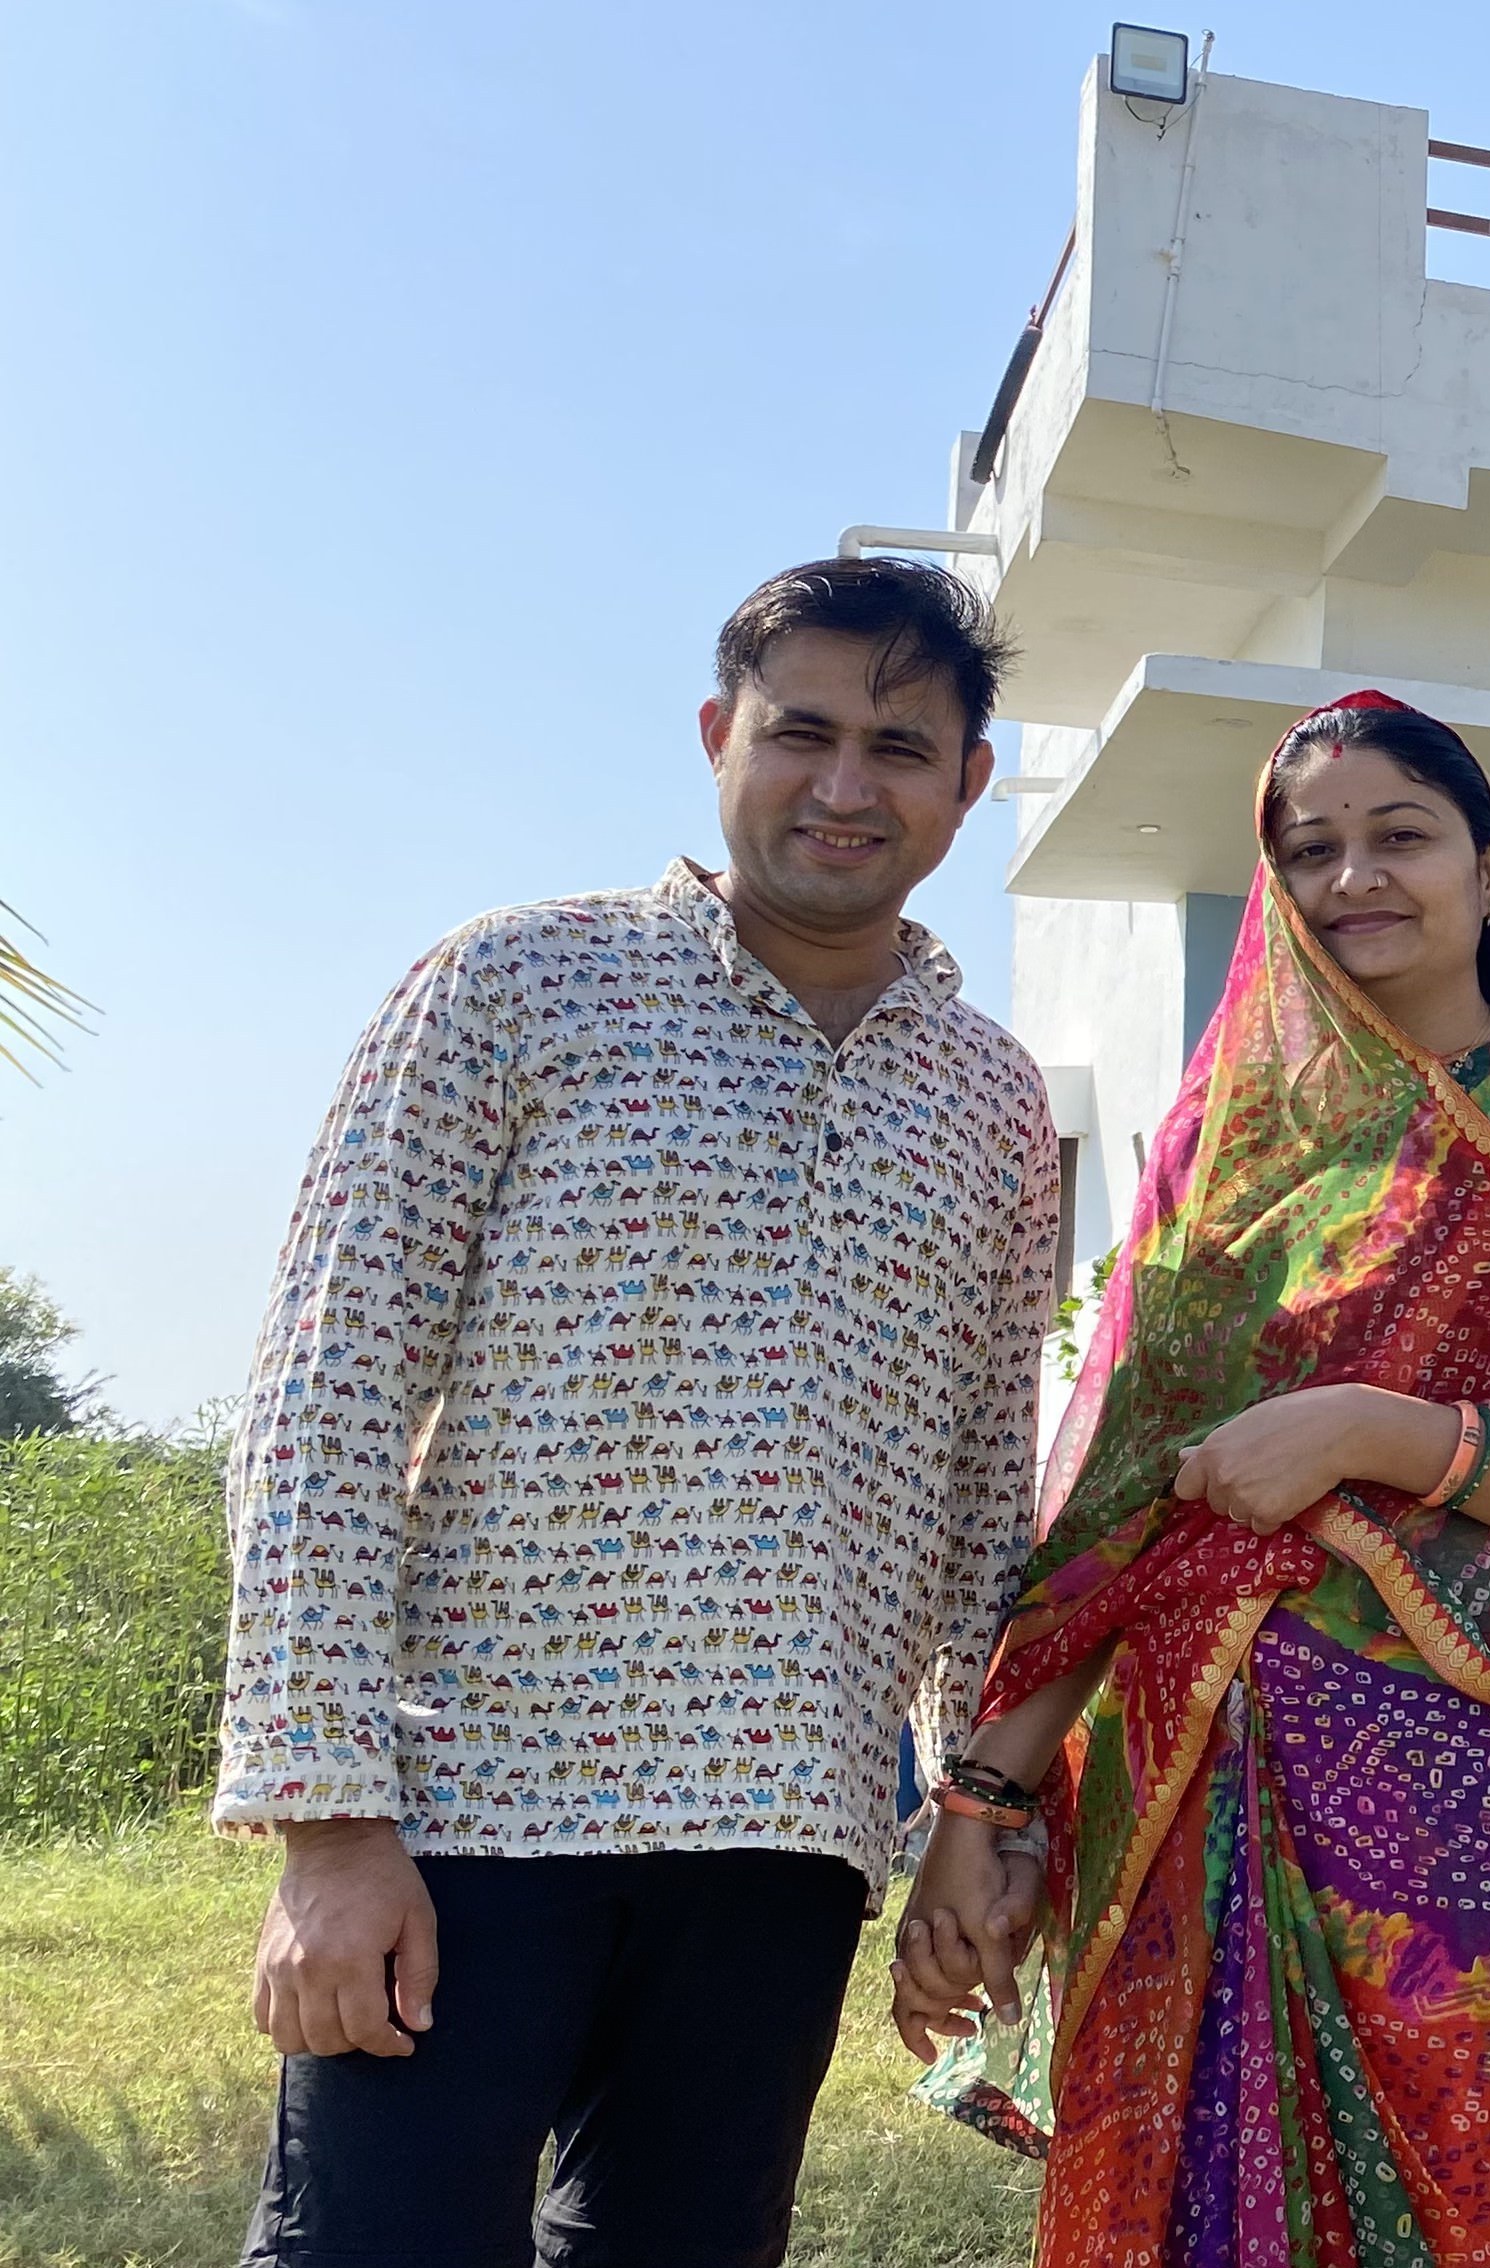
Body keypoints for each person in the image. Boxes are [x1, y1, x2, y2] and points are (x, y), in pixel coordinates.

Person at [219, 559, 1061, 2268]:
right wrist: (333, 1829)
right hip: (468, 1817)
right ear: (715, 735)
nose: (845, 785)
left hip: (789, 1838)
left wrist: (976, 1820)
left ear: (970, 783)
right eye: (801, 732)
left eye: (901, 747)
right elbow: (328, 1394)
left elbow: (986, 1497)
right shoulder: (517, 987)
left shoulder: (990, 1097)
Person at [891, 692, 1490, 2265]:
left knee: (1471, 2210)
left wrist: (1369, 1431)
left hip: (1470, 1787)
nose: (1353, 878)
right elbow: (1119, 1512)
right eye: (1308, 849)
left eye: (1400, 835)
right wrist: (982, 1804)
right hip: (1186, 1767)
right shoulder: (1227, 1154)